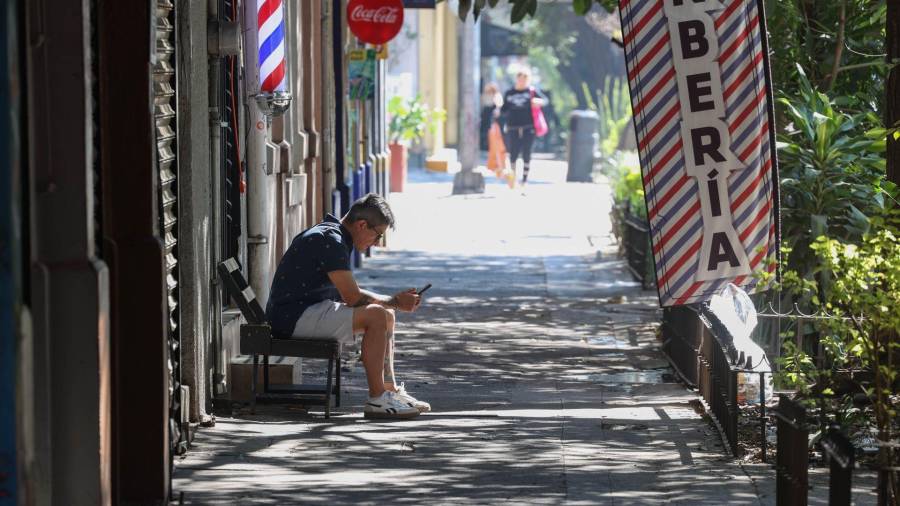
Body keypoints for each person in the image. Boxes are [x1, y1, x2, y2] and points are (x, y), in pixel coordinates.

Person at [265, 193, 430, 420]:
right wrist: (394, 301)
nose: (377, 242)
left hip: (304, 311)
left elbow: (351, 294)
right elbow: (352, 297)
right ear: (362, 225)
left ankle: (389, 392)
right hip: (293, 317)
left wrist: (393, 303)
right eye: (378, 235)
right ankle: (377, 398)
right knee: (378, 316)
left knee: (386, 314)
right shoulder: (330, 240)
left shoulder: (334, 236)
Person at [500, 67, 547, 186]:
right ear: (516, 79)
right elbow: (503, 110)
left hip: (528, 127)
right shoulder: (509, 93)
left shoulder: (531, 91)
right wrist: (498, 108)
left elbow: (545, 101)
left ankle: (524, 179)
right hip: (513, 127)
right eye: (520, 78)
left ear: (528, 80)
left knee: (527, 152)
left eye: (525, 79)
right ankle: (513, 178)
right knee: (513, 153)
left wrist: (538, 102)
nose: (522, 81)